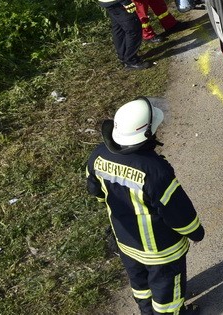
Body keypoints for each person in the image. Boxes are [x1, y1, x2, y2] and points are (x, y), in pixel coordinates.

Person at [87, 98, 204, 315]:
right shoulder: (155, 171)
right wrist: (196, 232)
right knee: (167, 290)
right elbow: (178, 213)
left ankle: (146, 311)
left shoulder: (97, 156)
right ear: (147, 135)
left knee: (140, 283)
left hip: (125, 241)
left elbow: (96, 191)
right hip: (162, 252)